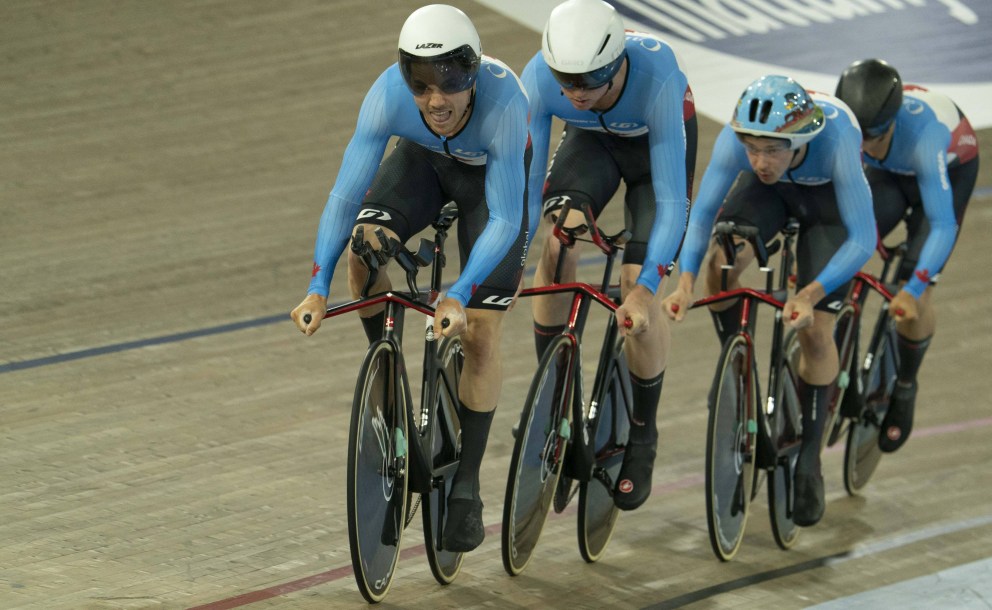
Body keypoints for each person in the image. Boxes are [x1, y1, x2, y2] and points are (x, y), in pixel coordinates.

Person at [289, 4, 531, 553]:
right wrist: (318, 284)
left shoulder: (507, 102)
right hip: (423, 164)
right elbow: (344, 196)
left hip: (490, 189)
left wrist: (462, 292)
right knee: (365, 247)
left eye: (450, 83)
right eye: (420, 86)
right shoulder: (387, 95)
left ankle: (466, 488)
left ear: (472, 74)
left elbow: (507, 218)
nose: (435, 99)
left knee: (480, 333)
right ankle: (387, 374)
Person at [663, 75, 876, 526]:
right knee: (721, 257)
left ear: (799, 140)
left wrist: (809, 293)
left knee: (816, 330)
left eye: (773, 149)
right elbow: (701, 215)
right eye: (752, 147)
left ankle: (811, 462)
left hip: (828, 208)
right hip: (772, 197)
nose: (760, 160)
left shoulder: (835, 136)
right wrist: (684, 283)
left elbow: (863, 239)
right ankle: (737, 371)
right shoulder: (737, 144)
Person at [521, 0, 697, 511]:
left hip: (653, 159)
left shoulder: (657, 76)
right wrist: (515, 257)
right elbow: (529, 189)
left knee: (636, 284)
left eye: (589, 80)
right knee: (559, 240)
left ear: (617, 64)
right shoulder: (540, 77)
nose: (574, 92)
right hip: (591, 145)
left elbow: (670, 203)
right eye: (565, 81)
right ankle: (553, 400)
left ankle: (643, 434)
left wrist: (645, 291)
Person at [835, 58, 979, 453]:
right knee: (845, 239)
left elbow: (943, 224)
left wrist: (915, 286)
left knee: (918, 279)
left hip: (946, 174)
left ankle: (905, 384)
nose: (861, 148)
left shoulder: (926, 136)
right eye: (855, 139)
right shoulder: (860, 134)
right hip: (890, 173)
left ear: (891, 125)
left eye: (871, 139)